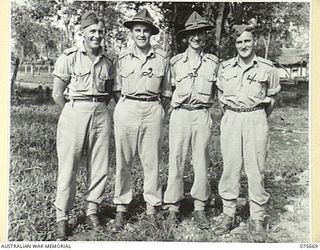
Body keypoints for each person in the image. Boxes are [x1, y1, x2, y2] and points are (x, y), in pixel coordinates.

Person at [213, 24, 281, 242]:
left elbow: (271, 99)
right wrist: (234, 115)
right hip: (231, 117)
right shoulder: (225, 68)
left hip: (256, 118)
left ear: (254, 42)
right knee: (231, 167)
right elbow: (221, 98)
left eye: (247, 41)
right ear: (235, 45)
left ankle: (258, 218)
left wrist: (256, 115)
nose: (243, 45)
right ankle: (228, 214)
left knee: (255, 169)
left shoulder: (267, 68)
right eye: (239, 42)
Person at [52, 11, 114, 240]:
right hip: (74, 111)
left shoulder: (108, 62)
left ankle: (92, 211)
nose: (97, 36)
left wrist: (96, 108)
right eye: (92, 32)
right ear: (83, 33)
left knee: (99, 165)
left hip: (100, 112)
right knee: (68, 166)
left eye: (100, 32)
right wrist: (71, 114)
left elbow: (108, 94)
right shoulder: (68, 57)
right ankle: (62, 217)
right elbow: (57, 94)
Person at [111, 9, 171, 232]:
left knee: (151, 161)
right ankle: (121, 208)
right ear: (131, 33)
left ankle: (152, 208)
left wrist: (154, 108)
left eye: (146, 31)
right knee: (123, 161)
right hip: (127, 107)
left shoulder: (162, 59)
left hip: (153, 108)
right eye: (138, 30)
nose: (142, 35)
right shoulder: (122, 58)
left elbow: (166, 92)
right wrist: (129, 106)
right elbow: (116, 90)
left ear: (151, 34)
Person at [163, 11, 219, 230]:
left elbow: (219, 92)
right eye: (193, 34)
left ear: (205, 36)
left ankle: (199, 206)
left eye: (201, 33)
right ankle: (173, 206)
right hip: (180, 114)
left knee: (201, 160)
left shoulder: (214, 63)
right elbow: (167, 92)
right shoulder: (175, 63)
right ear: (186, 37)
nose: (197, 38)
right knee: (176, 159)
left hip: (201, 114)